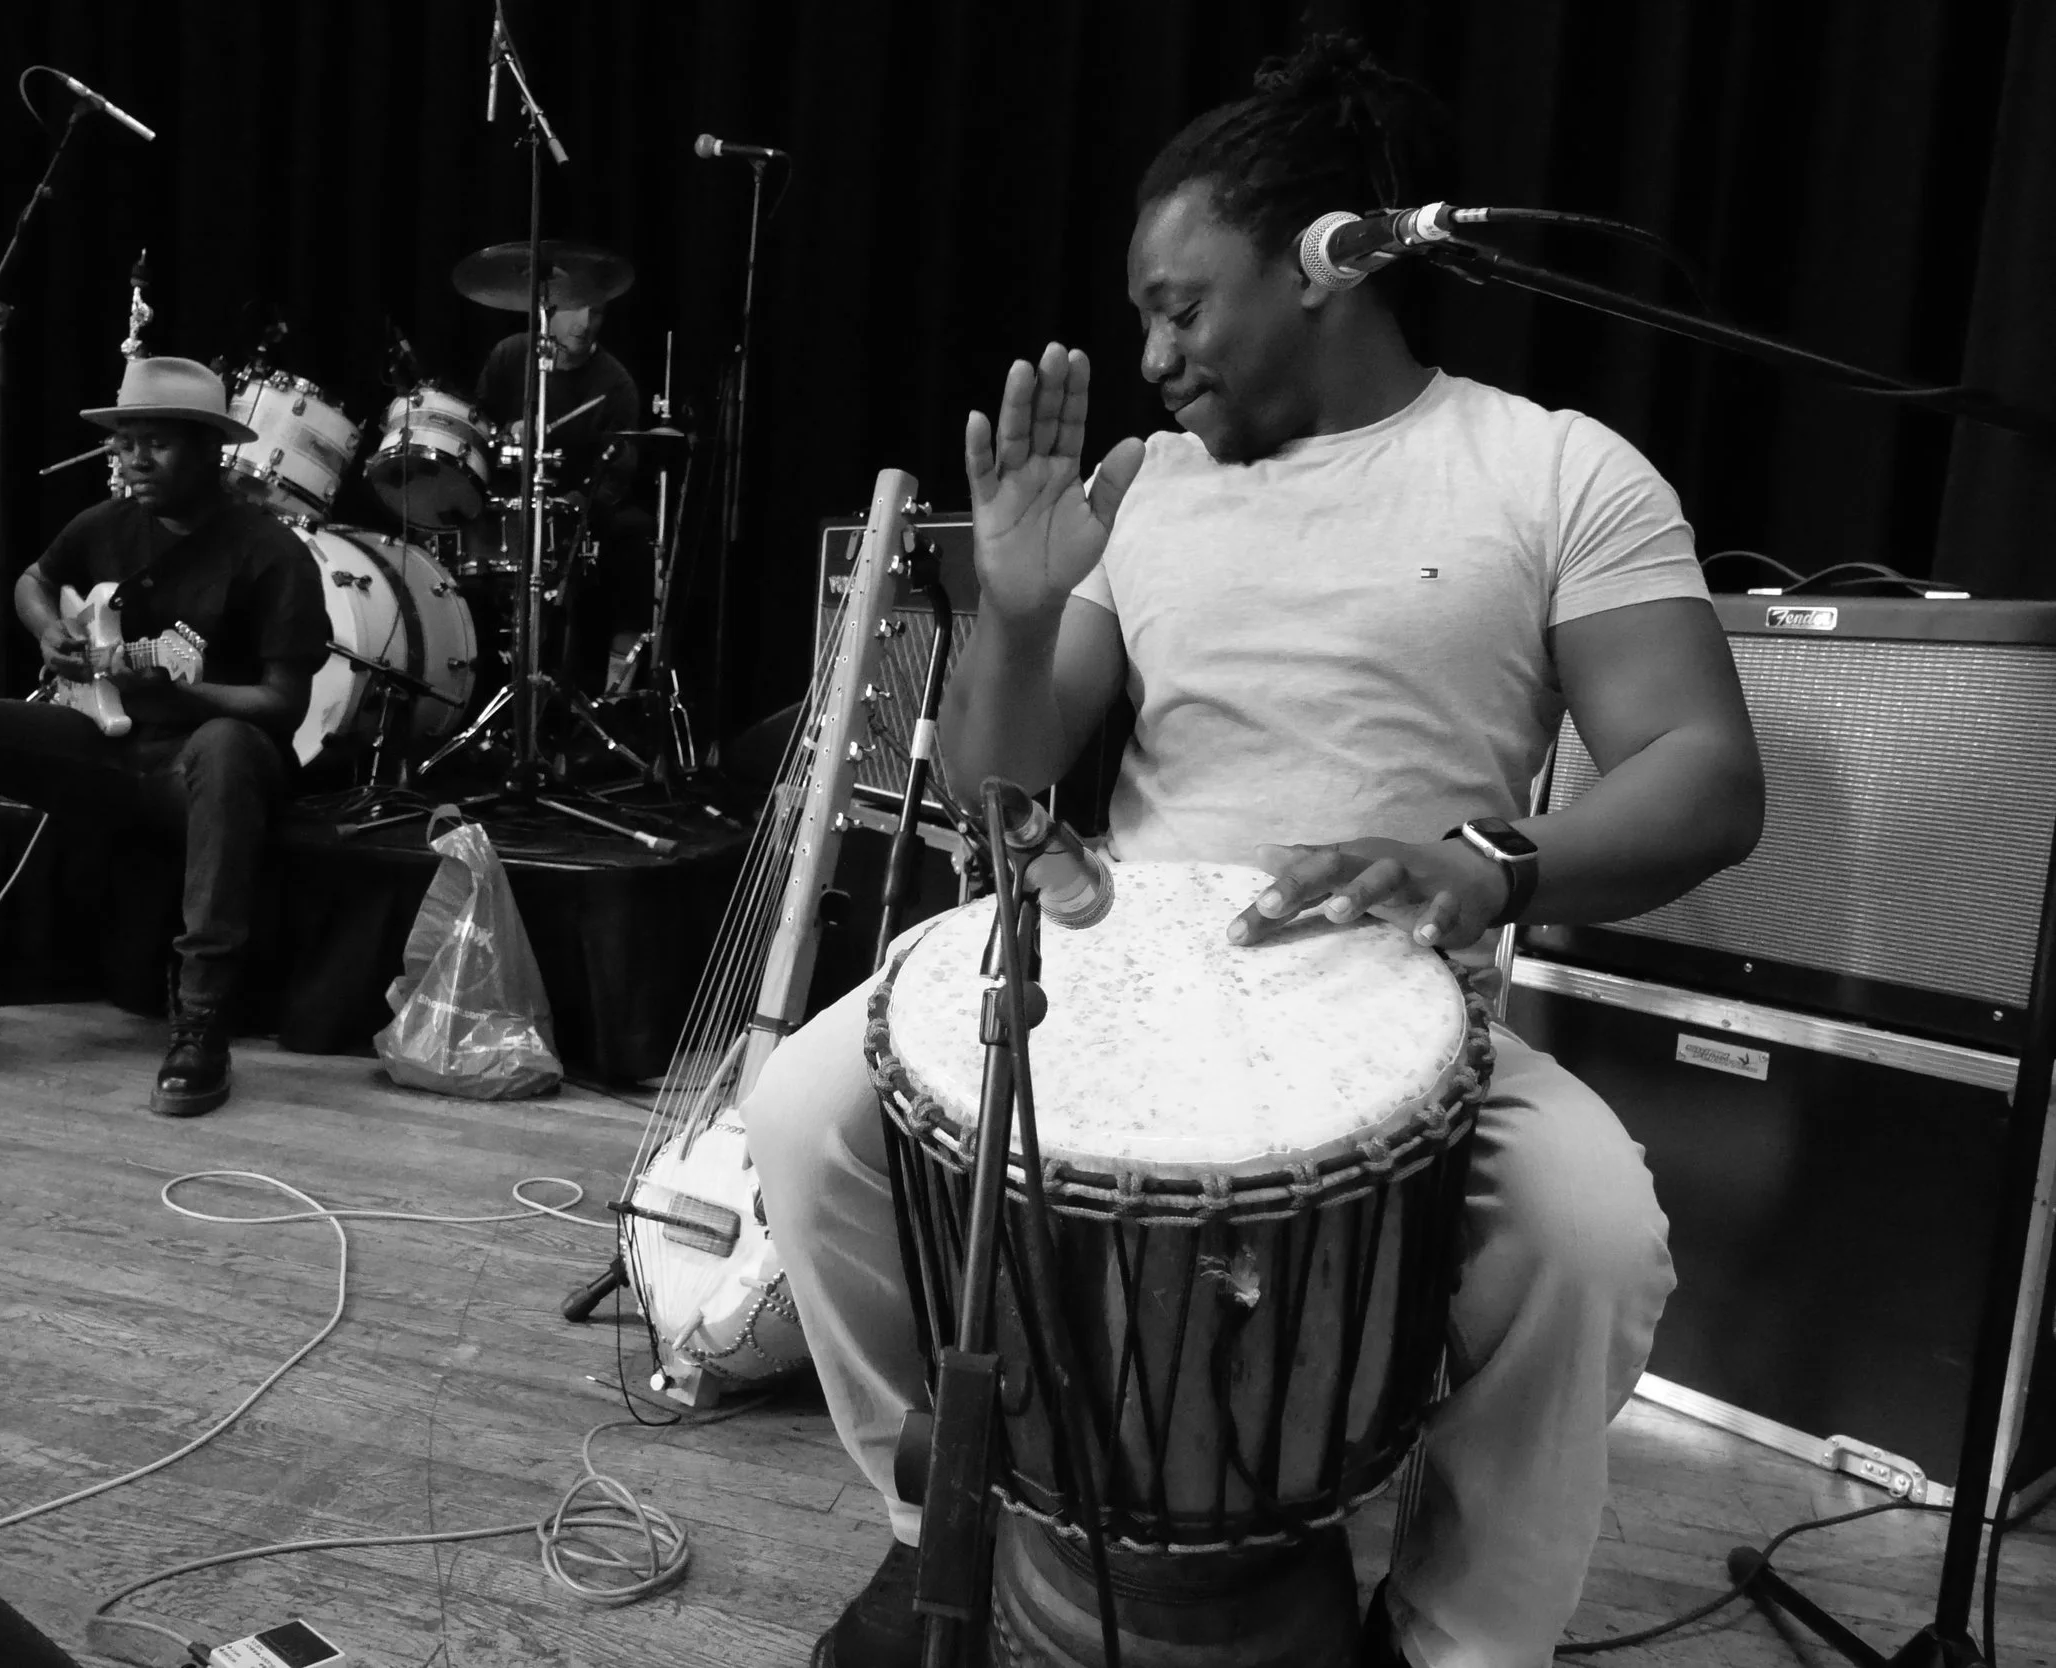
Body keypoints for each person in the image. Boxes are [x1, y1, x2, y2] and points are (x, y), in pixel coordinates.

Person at [745, 35, 1765, 1668]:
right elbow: (995, 793)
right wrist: (1011, 609)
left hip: (1405, 1009)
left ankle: (1450, 1640)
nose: (1152, 351)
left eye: (1180, 303)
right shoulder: (1144, 492)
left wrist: (1489, 858)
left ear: (1329, 266)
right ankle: (927, 1521)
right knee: (802, 1115)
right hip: (1114, 981)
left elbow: (1706, 772)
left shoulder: (1556, 468)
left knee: (1591, 1235)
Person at [0, 356, 329, 1119]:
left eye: (158, 443)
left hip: (201, 767)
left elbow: (281, 703)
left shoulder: (271, 552)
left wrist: (185, 690)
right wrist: (47, 632)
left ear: (211, 450)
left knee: (229, 744)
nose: (134, 459)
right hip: (107, 746)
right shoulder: (103, 526)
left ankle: (202, 1014)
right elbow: (32, 582)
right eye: (125, 442)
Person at [472, 300, 655, 694]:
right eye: (575, 309)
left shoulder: (615, 384)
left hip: (577, 513)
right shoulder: (511, 356)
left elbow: (617, 476)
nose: (585, 323)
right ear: (548, 310)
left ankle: (613, 697)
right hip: (506, 507)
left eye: (598, 313)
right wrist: (504, 432)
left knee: (635, 545)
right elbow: (476, 427)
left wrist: (575, 504)